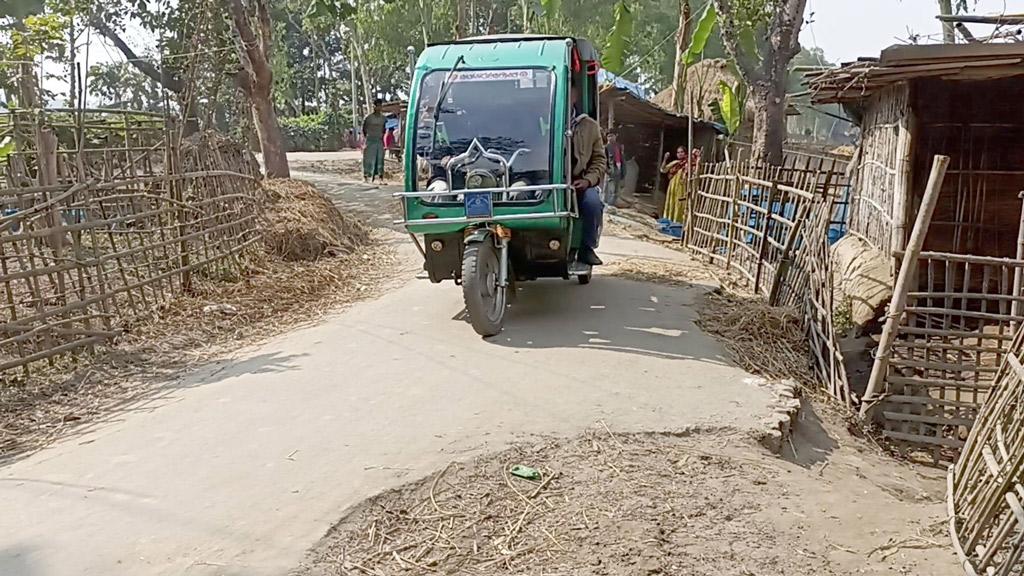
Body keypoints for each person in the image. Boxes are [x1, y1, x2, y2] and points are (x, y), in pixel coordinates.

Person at [570, 82, 607, 266]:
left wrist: (587, 180)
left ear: (575, 96)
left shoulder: (589, 126)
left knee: (592, 203)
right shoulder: (538, 120)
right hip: (545, 179)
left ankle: (587, 248)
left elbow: (600, 160)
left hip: (579, 181)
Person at [661, 145, 700, 223]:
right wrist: (665, 159)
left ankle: (678, 222)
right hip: (672, 186)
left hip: (682, 186)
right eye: (678, 152)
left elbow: (695, 171)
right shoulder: (675, 163)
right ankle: (668, 220)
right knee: (671, 202)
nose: (680, 154)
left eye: (682, 152)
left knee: (680, 204)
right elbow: (663, 170)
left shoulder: (689, 163)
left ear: (685, 153)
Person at [362, 99, 387, 183]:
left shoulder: (383, 118)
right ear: (374, 106)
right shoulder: (368, 118)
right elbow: (364, 129)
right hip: (370, 140)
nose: (379, 108)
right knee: (368, 159)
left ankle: (380, 177)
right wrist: (367, 137)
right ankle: (366, 176)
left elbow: (384, 129)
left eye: (380, 106)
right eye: (377, 106)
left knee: (380, 159)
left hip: (379, 140)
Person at [604, 130, 625, 207]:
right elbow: (604, 160)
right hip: (611, 170)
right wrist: (608, 170)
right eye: (608, 136)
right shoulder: (606, 147)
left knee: (616, 190)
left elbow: (622, 159)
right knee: (609, 189)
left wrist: (623, 170)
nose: (610, 138)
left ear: (615, 136)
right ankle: (606, 205)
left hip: (618, 169)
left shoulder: (619, 146)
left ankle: (612, 205)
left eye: (612, 136)